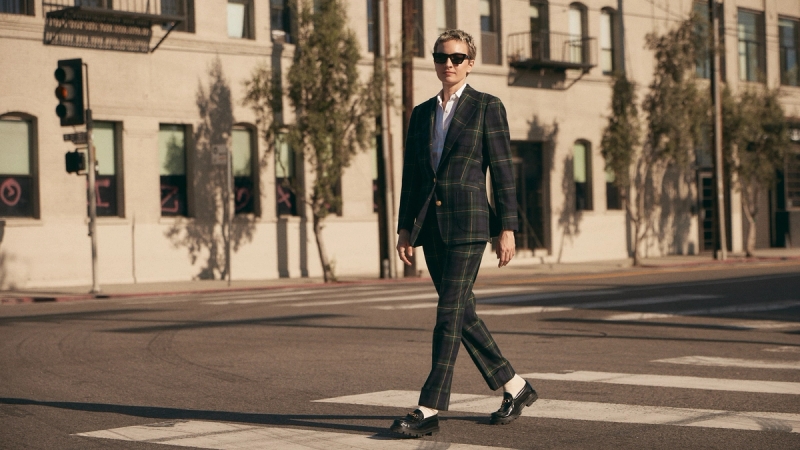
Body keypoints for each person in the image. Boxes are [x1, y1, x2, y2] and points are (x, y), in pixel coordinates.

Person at [389, 29, 537, 438]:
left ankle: (429, 406)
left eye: (456, 57)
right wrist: (404, 227)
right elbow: (413, 177)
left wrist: (506, 228)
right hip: (431, 226)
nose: (448, 64)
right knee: (460, 313)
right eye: (441, 57)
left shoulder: (487, 106)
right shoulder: (421, 114)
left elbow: (503, 170)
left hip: (471, 223)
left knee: (447, 314)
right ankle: (515, 386)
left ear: (470, 62)